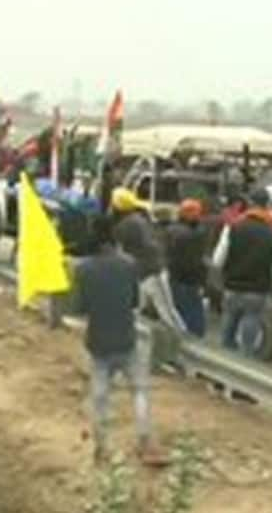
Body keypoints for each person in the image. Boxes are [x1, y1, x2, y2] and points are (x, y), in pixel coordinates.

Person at [72, 215, 169, 467]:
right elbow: (136, 303)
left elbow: (79, 308)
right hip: (126, 339)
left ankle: (102, 449)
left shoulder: (82, 269)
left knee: (100, 396)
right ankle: (145, 443)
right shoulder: (129, 265)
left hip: (98, 343)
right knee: (139, 391)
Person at [211, 188, 272, 357]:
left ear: (250, 204)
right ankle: (243, 371)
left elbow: (217, 260)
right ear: (268, 206)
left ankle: (222, 374)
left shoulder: (232, 228)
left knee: (227, 333)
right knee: (248, 342)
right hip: (256, 293)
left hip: (232, 288)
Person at [110, 188, 189, 334]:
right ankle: (177, 340)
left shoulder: (124, 225)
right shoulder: (138, 219)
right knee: (158, 310)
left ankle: (180, 339)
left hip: (149, 270)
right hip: (150, 269)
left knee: (163, 311)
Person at [165, 199, 208, 337]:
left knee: (177, 312)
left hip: (174, 277)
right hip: (190, 280)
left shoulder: (171, 230)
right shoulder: (196, 234)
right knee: (194, 316)